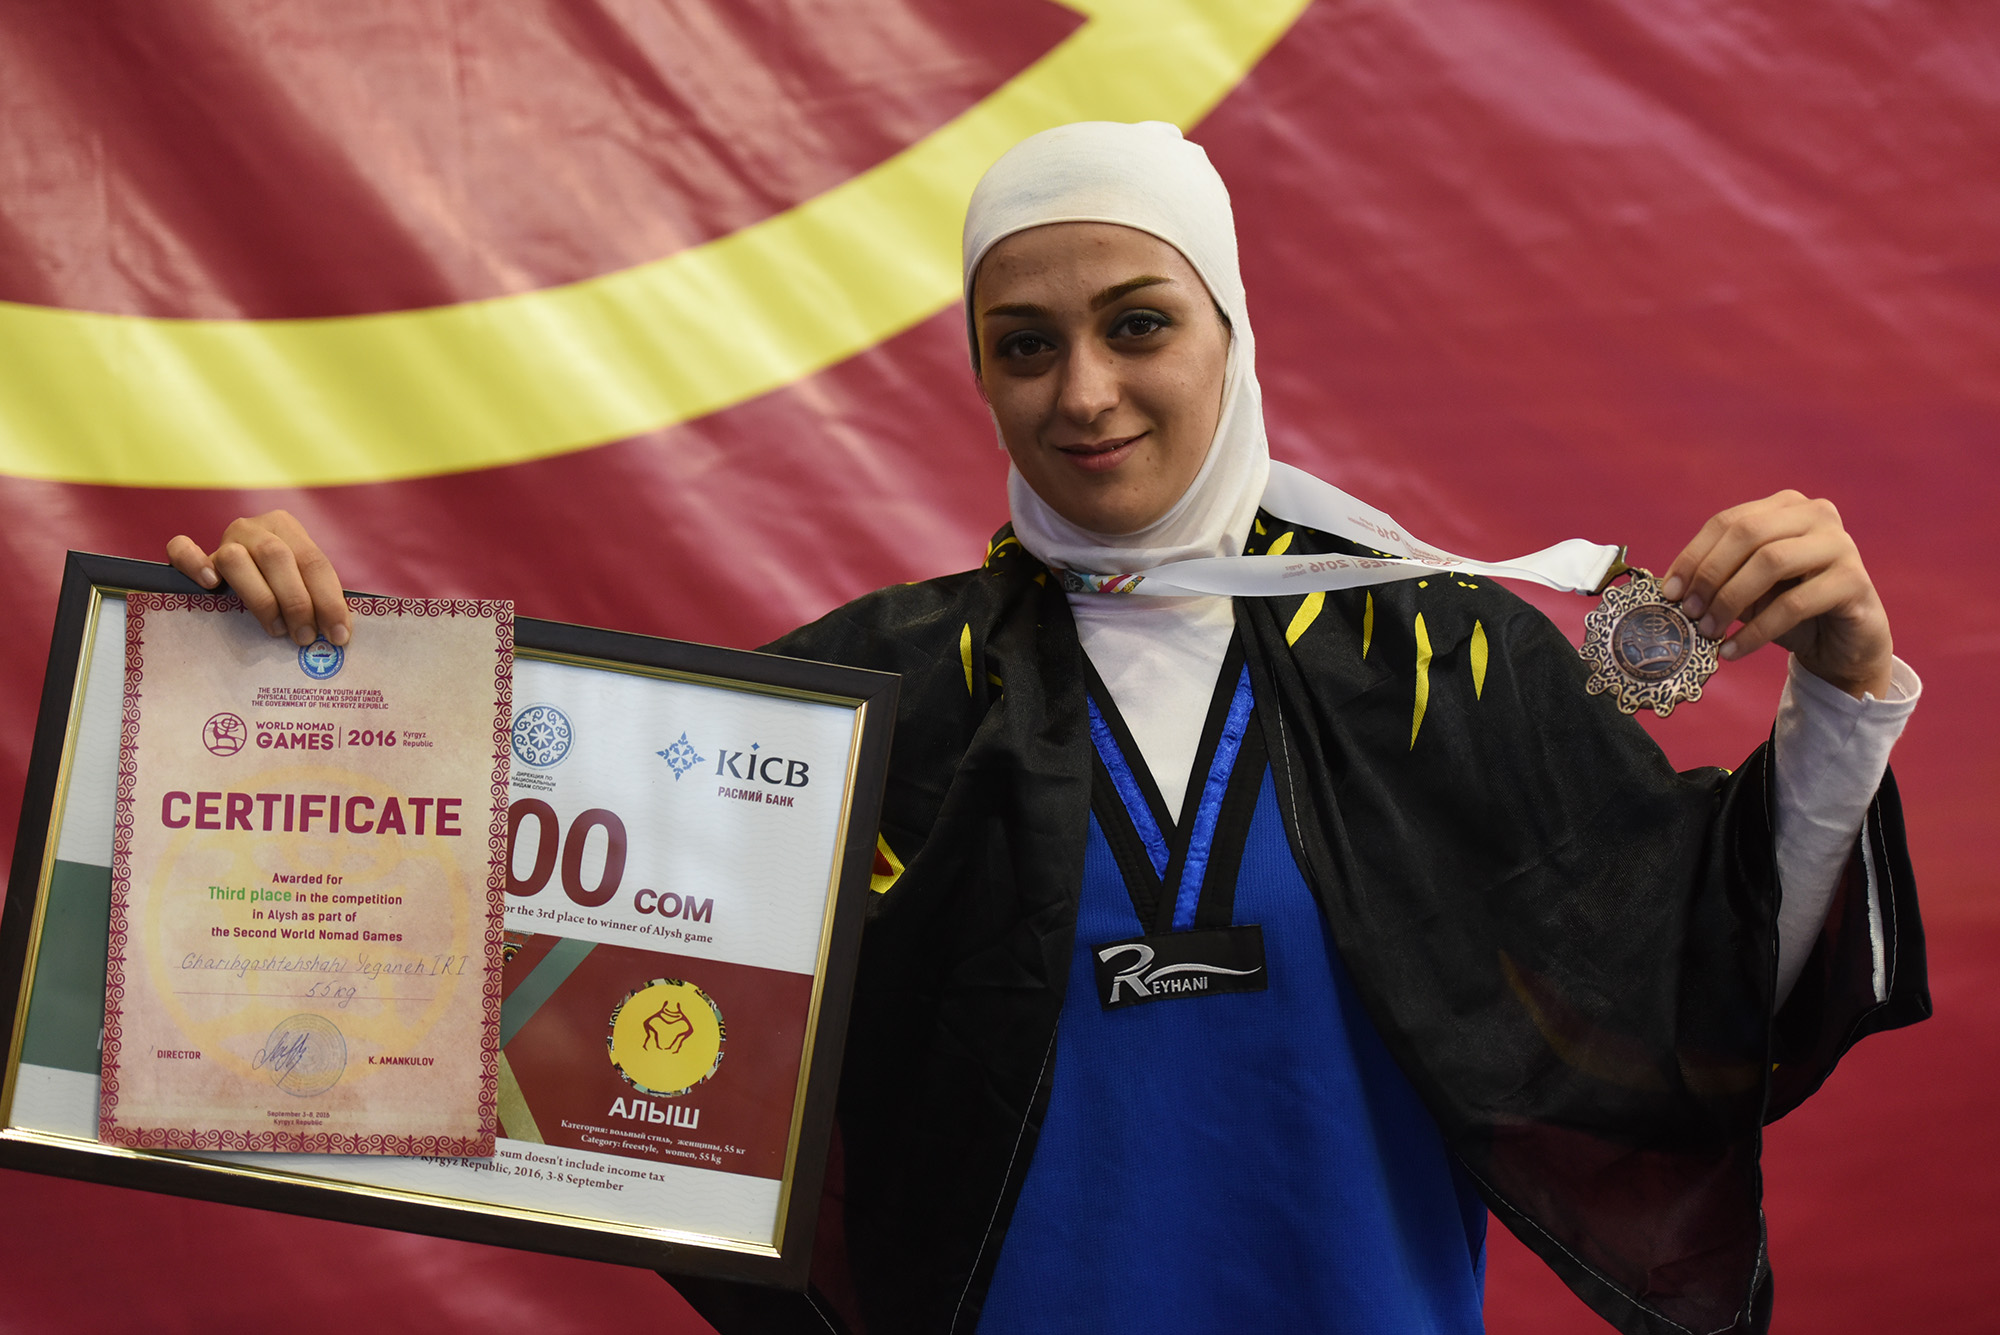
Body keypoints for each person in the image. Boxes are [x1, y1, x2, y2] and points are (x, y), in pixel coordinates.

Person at [168, 122, 1925, 1335]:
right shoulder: (879, 700)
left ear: (1230, 330)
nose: (1083, 392)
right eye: (1024, 345)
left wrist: (1842, 694)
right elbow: (511, 958)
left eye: (1137, 325)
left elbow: (1700, 991)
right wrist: (298, 704)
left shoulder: (1437, 660)